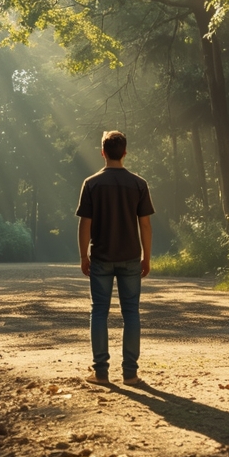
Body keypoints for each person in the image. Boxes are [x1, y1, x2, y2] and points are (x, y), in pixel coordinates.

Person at [76, 130, 154, 386]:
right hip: (131, 257)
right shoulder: (139, 184)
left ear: (102, 152)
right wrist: (147, 257)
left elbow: (84, 225)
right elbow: (145, 225)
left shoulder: (91, 183)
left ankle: (101, 373)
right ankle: (130, 374)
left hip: (101, 257)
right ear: (124, 152)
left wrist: (83, 256)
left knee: (99, 311)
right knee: (131, 312)